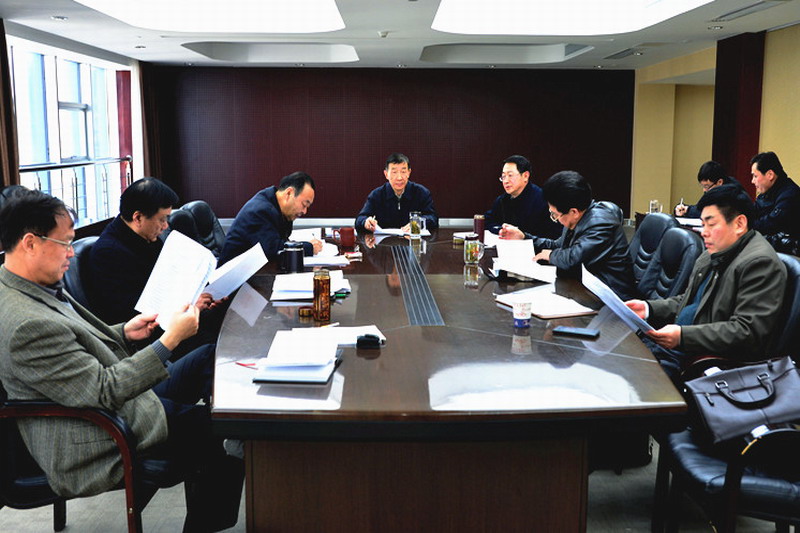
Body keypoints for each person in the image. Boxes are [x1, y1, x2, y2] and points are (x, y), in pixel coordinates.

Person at [0, 189, 243, 532]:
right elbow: (103, 390)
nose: (71, 253)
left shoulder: (27, 286)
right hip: (91, 433)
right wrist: (170, 340)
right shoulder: (27, 323)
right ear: (30, 243)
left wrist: (125, 332)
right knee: (219, 434)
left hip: (109, 406)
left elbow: (76, 346)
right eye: (65, 243)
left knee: (210, 388)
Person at [626, 184, 787, 379]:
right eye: (703, 224)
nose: (704, 232)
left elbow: (746, 331)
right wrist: (648, 309)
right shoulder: (714, 252)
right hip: (676, 347)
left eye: (711, 224)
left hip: (700, 361)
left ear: (739, 224)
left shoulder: (759, 263)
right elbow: (690, 300)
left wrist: (683, 337)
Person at [86, 178, 217, 326]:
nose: (165, 226)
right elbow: (133, 313)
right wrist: (190, 306)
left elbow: (171, 283)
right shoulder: (108, 253)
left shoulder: (147, 238)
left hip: (171, 319)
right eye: (162, 219)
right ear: (138, 218)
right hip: (149, 331)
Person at [500, 170, 636, 300]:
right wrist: (523, 237)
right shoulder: (577, 218)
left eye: (555, 215)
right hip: (584, 289)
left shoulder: (601, 223)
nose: (555, 219)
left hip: (612, 298)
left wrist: (551, 256)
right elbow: (558, 245)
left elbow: (573, 258)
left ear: (574, 212)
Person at [219, 171, 322, 264]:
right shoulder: (260, 211)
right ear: (289, 193)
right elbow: (272, 251)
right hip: (234, 276)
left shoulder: (279, 208)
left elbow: (281, 242)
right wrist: (308, 248)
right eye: (304, 204)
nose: (304, 211)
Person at [355, 153, 439, 233]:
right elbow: (360, 219)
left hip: (413, 240)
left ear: (409, 173)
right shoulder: (376, 195)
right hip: (385, 241)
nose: (399, 178)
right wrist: (366, 222)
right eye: (394, 172)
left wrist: (417, 223)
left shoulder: (421, 193)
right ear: (386, 174)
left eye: (403, 172)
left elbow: (433, 218)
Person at [484, 155, 561, 239]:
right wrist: (500, 230)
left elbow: (554, 237)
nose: (506, 181)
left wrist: (523, 236)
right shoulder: (502, 200)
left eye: (510, 175)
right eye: (503, 176)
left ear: (525, 176)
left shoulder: (543, 200)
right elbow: (487, 220)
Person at [750, 151, 800, 254]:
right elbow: (752, 212)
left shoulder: (790, 194)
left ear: (770, 175)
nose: (752, 181)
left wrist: (746, 225)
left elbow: (772, 223)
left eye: (755, 176)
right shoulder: (766, 193)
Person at [674, 160, 743, 218]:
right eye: (702, 186)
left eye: (706, 186)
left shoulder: (732, 192)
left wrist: (688, 210)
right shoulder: (713, 190)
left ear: (719, 182)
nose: (704, 190)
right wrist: (682, 209)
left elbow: (711, 213)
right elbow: (700, 207)